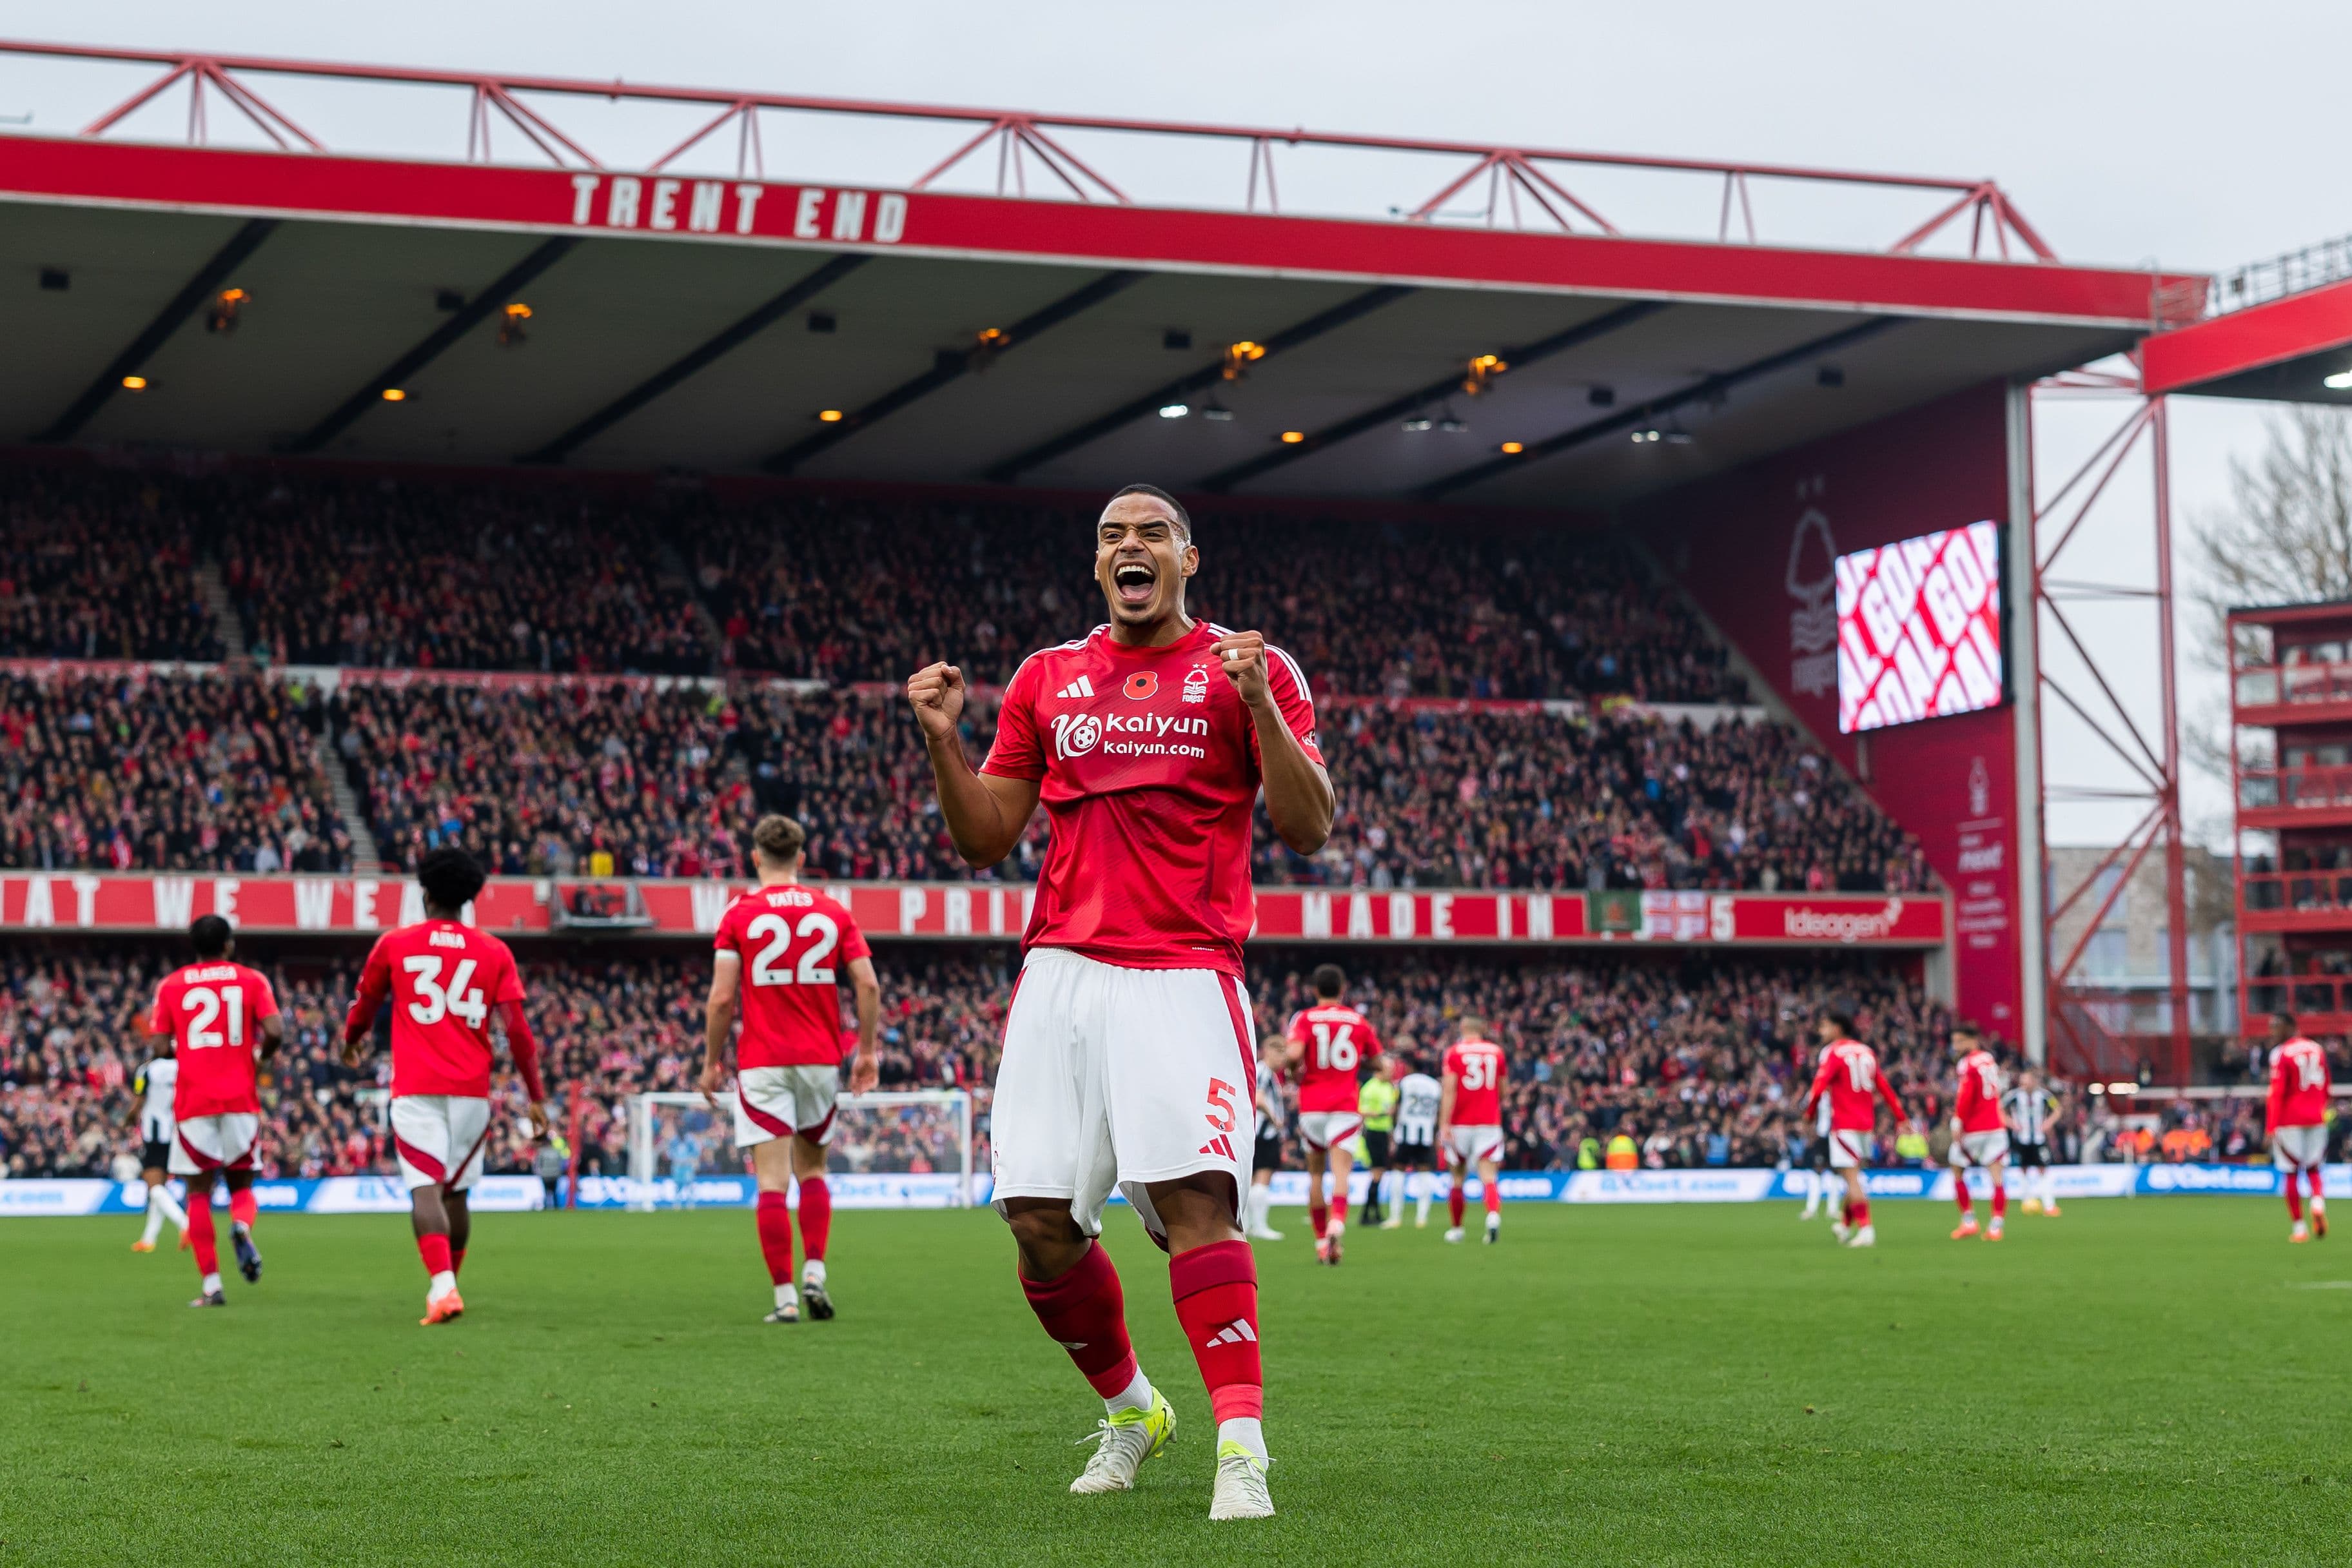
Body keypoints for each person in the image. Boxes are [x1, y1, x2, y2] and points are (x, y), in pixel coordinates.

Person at [906, 482, 1331, 1520]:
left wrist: (1262, 708)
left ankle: (1242, 1446)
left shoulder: (1251, 666)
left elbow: (1308, 825)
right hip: (1059, 974)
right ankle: (1136, 1410)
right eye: (1111, 538)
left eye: (1151, 534)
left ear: (1190, 559)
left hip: (1184, 972)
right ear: (1098, 567)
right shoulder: (1048, 677)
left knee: (1197, 1206)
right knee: (1038, 1220)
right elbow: (986, 835)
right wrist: (939, 740)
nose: (1128, 548)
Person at [341, 848, 550, 1326]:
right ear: (470, 897)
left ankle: (442, 1288)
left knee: (425, 1190)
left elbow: (366, 1004)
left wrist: (350, 1042)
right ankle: (450, 1284)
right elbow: (518, 1030)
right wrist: (536, 1096)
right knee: (456, 1193)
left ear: (426, 892)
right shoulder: (495, 951)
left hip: (417, 1087)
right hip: (472, 1092)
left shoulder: (395, 944)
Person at [700, 813, 881, 1323]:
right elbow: (867, 984)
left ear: (755, 858)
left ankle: (784, 1299)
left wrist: (712, 1062)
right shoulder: (831, 911)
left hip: (763, 1063)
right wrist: (866, 1052)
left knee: (772, 1184)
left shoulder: (739, 914)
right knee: (815, 1170)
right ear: (801, 859)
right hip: (821, 1060)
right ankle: (815, 1273)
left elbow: (720, 1000)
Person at [145, 915, 284, 1306]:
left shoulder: (171, 985)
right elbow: (275, 1031)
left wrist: (187, 1057)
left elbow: (158, 1047)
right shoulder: (252, 980)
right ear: (228, 944)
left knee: (198, 1194)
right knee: (241, 1185)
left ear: (195, 947)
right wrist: (260, 1061)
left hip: (194, 1102)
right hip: (240, 1097)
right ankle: (241, 1226)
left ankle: (211, 1286)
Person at [1283, 964, 1384, 1265]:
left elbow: (1293, 1056)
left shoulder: (1305, 1018)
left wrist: (1293, 1073)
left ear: (1315, 990)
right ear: (1342, 990)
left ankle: (1319, 1242)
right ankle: (1337, 1222)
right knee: (1341, 1172)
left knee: (1315, 1175)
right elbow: (1379, 1064)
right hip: (1345, 1107)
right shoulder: (1358, 1021)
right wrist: (1358, 1066)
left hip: (1312, 1106)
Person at [1800, 1004, 1918, 1249]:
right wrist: (1901, 1117)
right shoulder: (1866, 1052)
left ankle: (1866, 1230)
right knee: (1850, 1177)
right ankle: (1844, 1225)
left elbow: (1819, 1085)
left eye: (1823, 1027)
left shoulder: (1834, 1053)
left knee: (1852, 1179)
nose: (1821, 1031)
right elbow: (1883, 1086)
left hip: (1844, 1123)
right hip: (1866, 1123)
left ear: (1836, 1028)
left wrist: (1809, 1114)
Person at [1436, 1020, 1507, 1245]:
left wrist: (1444, 1123)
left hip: (1460, 1123)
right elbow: (1503, 1090)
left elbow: (1449, 1089)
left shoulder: (1454, 1052)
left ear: (1463, 1029)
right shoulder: (1496, 1052)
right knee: (1488, 1176)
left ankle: (1457, 1229)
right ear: (1483, 1029)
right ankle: (1493, 1216)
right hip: (1489, 1122)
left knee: (1457, 1177)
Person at [2264, 1012, 2331, 1243]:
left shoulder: (2280, 1054)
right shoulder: (2317, 1049)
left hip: (2289, 1120)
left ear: (2290, 1026)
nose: (2272, 1032)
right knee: (2314, 1168)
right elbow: (2326, 1084)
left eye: (2276, 1026)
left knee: (2291, 1172)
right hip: (2316, 1117)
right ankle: (2317, 1203)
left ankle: (2300, 1228)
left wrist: (2270, 1126)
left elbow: (2277, 1092)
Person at [1945, 1024, 2009, 1241]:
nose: (1955, 1047)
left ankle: (1969, 1221)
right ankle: (1996, 1227)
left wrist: (1957, 1121)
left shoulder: (1968, 1063)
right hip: (1996, 1127)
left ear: (1972, 1041)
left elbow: (1966, 1094)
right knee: (1997, 1178)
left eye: (1959, 1042)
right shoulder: (1989, 1059)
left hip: (1974, 1128)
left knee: (1957, 1169)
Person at [125, 1046, 189, 1253]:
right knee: (159, 1185)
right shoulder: (181, 1067)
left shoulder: (146, 1070)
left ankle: (185, 1225)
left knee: (153, 1185)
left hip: (154, 1132)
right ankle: (148, 1239)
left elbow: (139, 1097)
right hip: (175, 1129)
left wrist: (129, 1117)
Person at [1383, 1055, 1441, 1230]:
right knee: (1425, 1174)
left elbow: (1396, 1108)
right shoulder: (1435, 1086)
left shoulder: (1405, 1082)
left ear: (1411, 1067)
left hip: (1406, 1133)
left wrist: (1392, 1129)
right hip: (1426, 1135)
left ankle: (1395, 1217)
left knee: (1399, 1172)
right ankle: (1422, 1218)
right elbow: (1438, 1112)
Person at [2003, 1068, 2062, 1216]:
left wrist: (2048, 1122)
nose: (2024, 1084)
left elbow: (2058, 1109)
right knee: (2023, 1170)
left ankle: (2049, 1205)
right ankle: (2027, 1202)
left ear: (2034, 1081)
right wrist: (2010, 1122)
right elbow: (1998, 1109)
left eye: (2026, 1081)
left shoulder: (2044, 1095)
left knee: (2043, 1169)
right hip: (2021, 1139)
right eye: (2022, 1081)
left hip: (2039, 1139)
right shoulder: (2013, 1095)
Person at [1246, 1052, 1287, 1242]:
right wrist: (1275, 1119)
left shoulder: (1261, 1071)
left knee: (1252, 1181)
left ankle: (1247, 1225)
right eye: (1281, 1055)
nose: (1283, 1061)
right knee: (1263, 1179)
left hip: (1255, 1133)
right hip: (1264, 1132)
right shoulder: (1264, 1072)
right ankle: (1260, 1226)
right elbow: (1259, 1099)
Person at [1356, 1051, 1398, 1228]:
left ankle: (1371, 1212)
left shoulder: (1389, 1088)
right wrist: (1382, 1114)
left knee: (1379, 1174)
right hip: (1373, 1132)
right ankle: (1368, 1213)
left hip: (1384, 1134)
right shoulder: (1370, 1088)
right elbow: (1361, 1111)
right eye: (1390, 1069)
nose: (1392, 1073)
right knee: (1377, 1172)